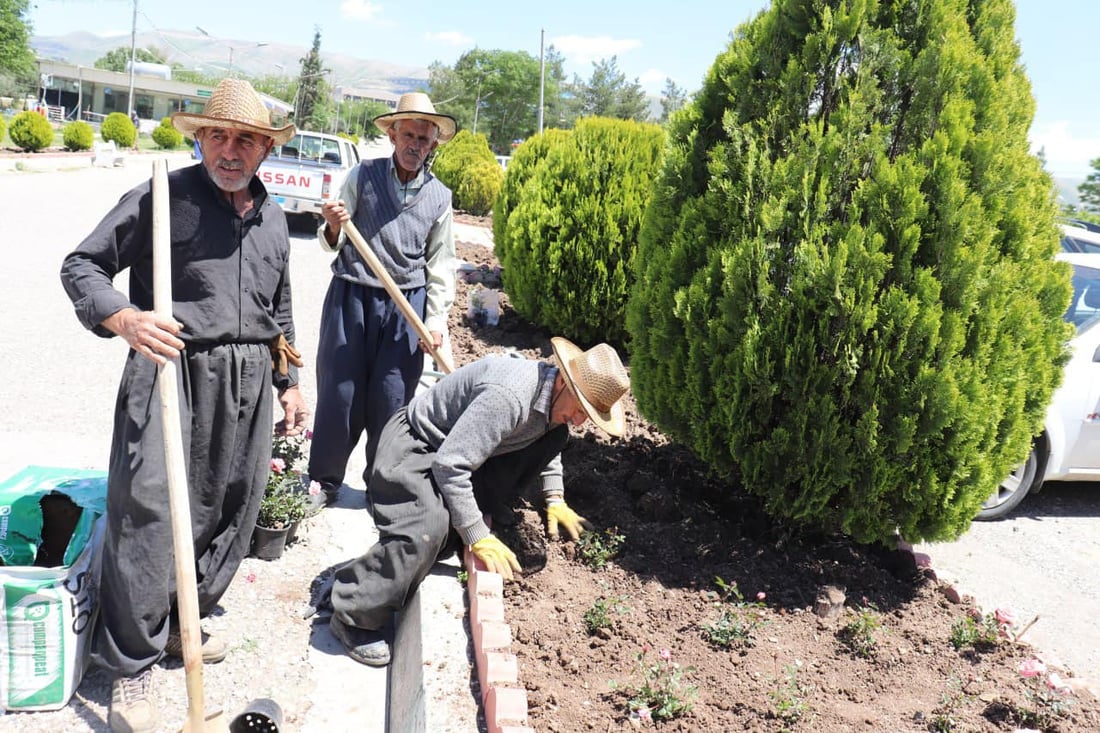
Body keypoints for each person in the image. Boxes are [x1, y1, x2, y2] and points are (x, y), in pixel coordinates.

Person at [59, 78, 307, 733]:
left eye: (246, 139)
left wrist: (289, 380)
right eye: (219, 135)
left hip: (249, 380)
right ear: (199, 137)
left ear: (264, 150)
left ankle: (177, 622)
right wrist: (126, 318)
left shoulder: (273, 214)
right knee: (149, 514)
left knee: (227, 507)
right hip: (172, 371)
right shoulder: (162, 199)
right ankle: (132, 665)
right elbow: (81, 266)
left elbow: (279, 307)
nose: (231, 150)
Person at [328, 338, 631, 666]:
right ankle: (352, 612)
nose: (580, 420)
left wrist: (555, 498)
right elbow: (450, 465)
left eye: (588, 414)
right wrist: (476, 533)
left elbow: (548, 446)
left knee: (557, 435)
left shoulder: (552, 404)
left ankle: (420, 548)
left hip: (456, 452)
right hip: (416, 447)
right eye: (580, 408)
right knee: (428, 531)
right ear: (562, 380)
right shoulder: (508, 397)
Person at [306, 91, 458, 512]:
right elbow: (330, 241)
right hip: (352, 297)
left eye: (424, 139)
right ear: (392, 134)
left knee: (393, 401)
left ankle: (381, 488)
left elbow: (441, 264)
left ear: (434, 145)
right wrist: (334, 225)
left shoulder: (439, 197)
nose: (415, 145)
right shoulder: (362, 176)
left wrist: (437, 321)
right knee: (340, 394)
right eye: (407, 134)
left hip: (405, 308)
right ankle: (324, 482)